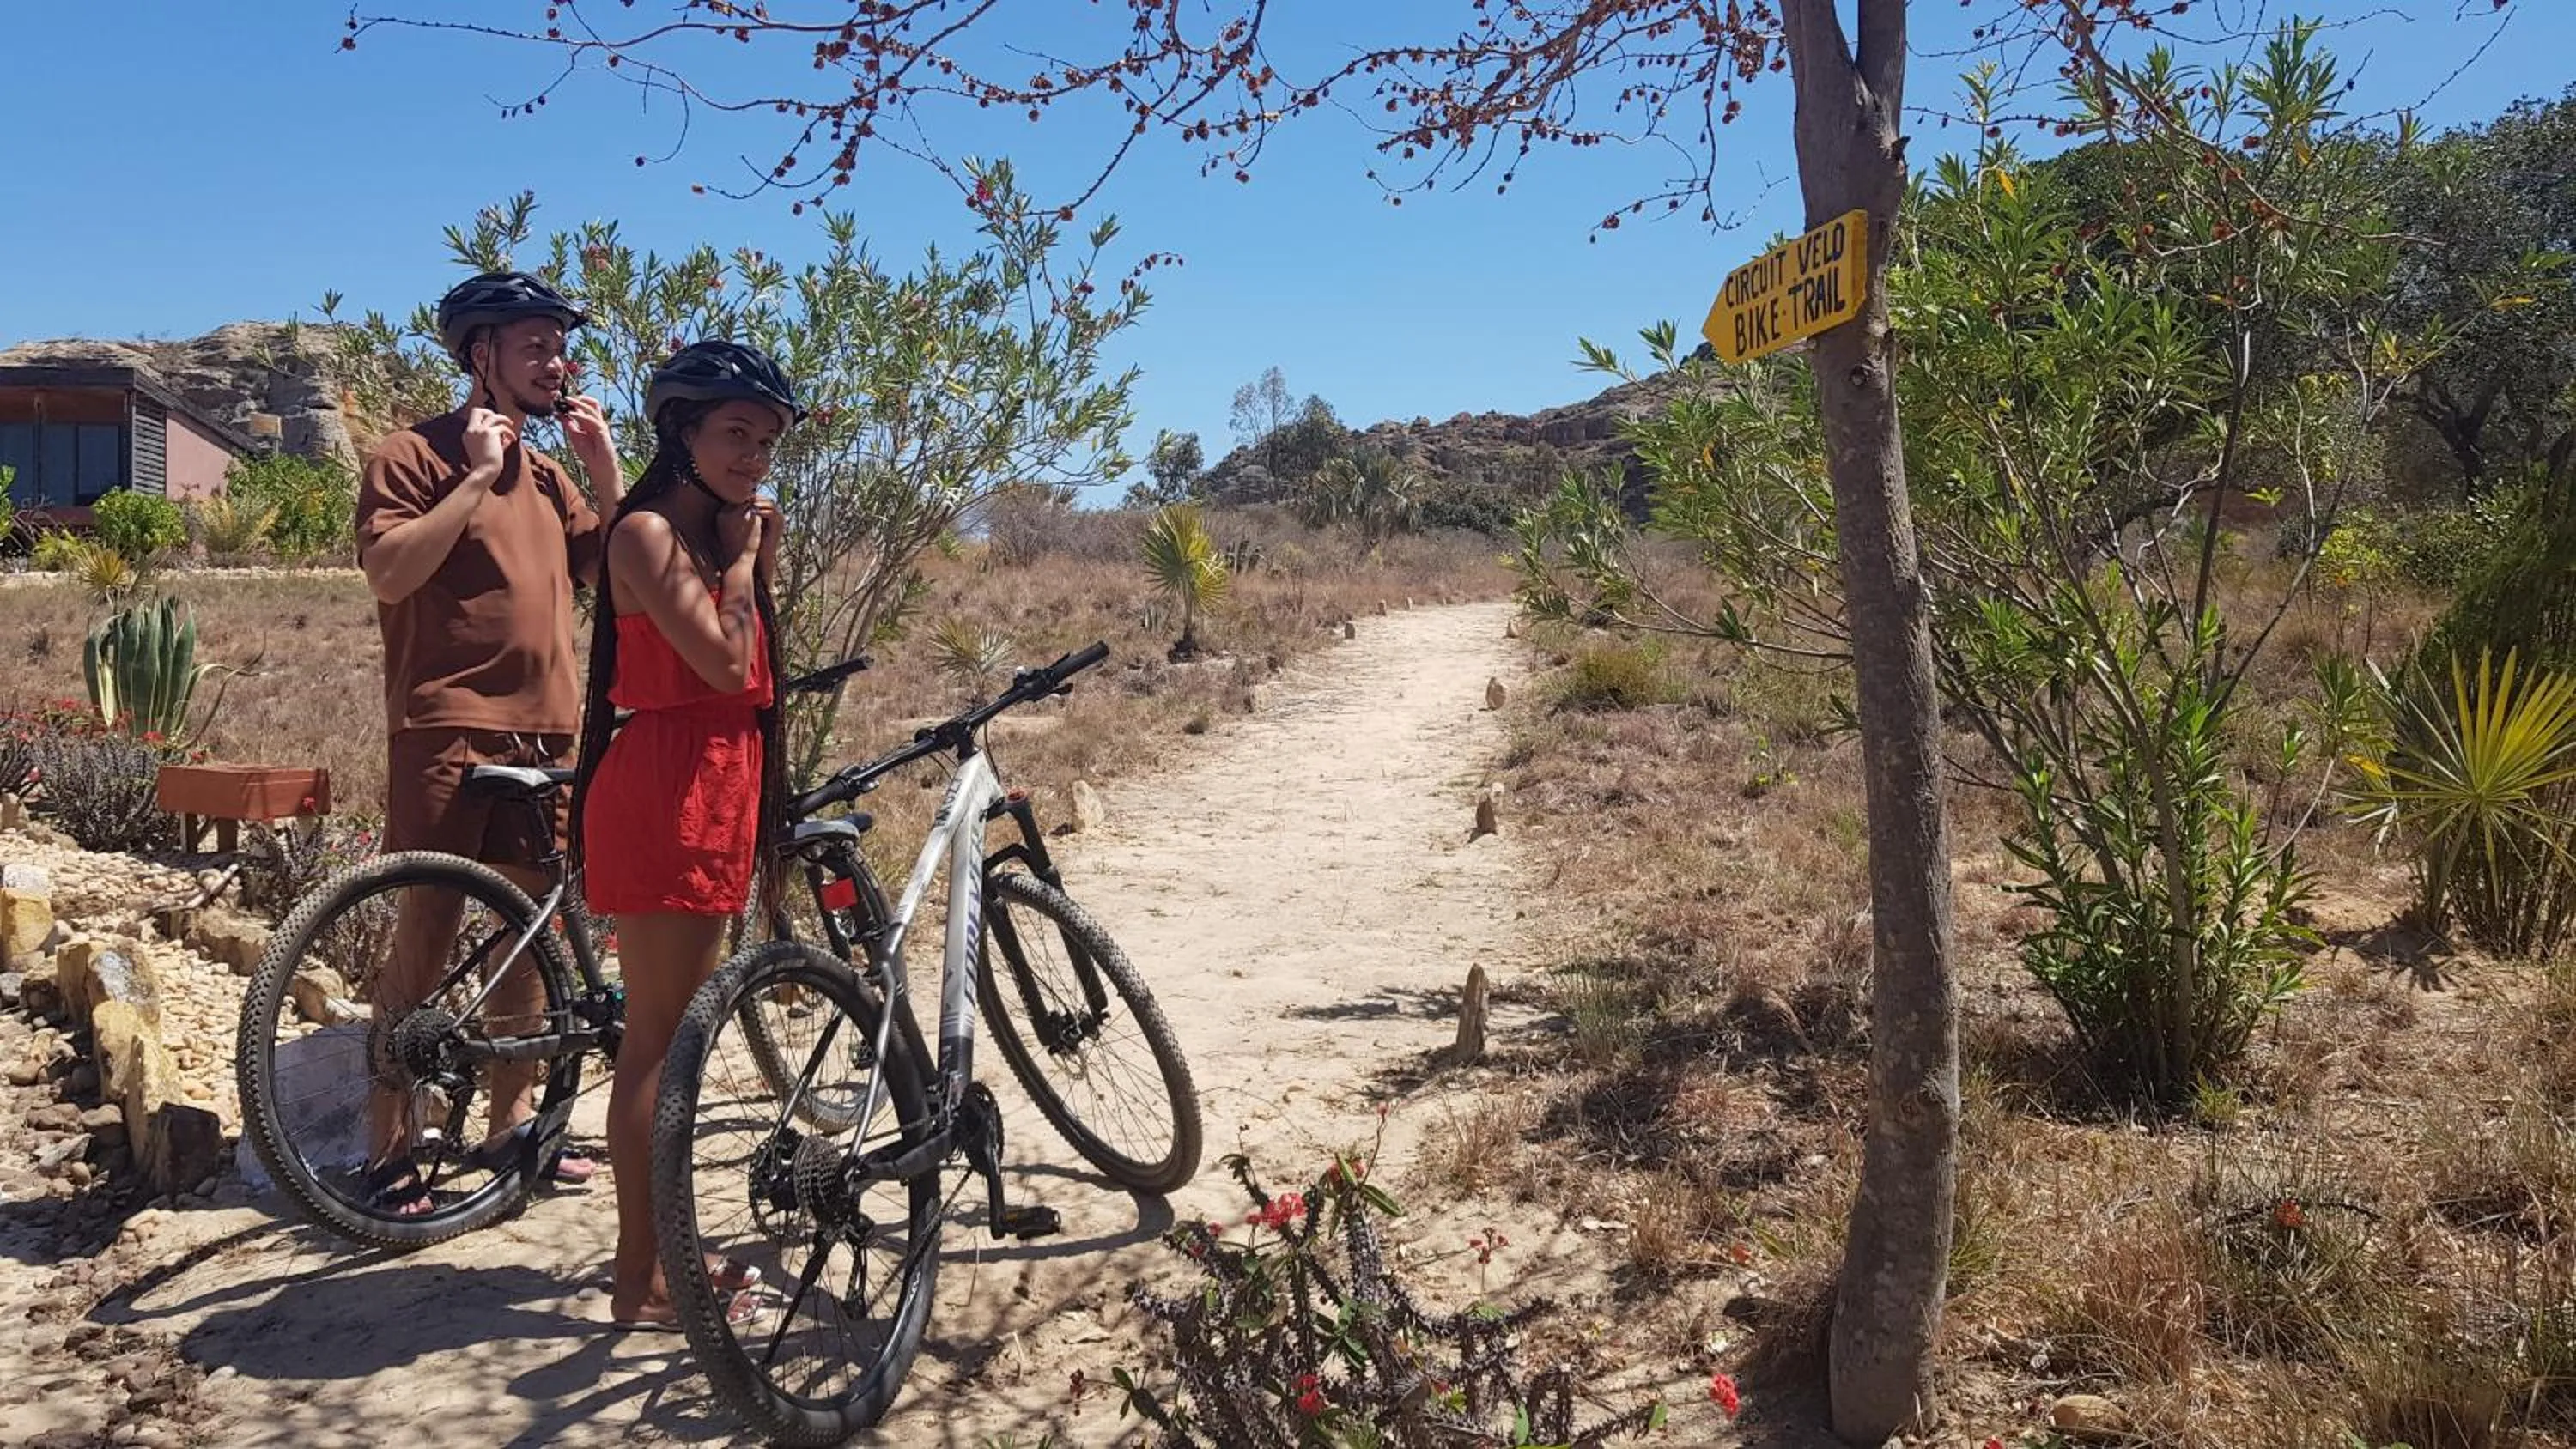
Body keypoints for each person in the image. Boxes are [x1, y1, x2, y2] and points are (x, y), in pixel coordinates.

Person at [354, 270, 625, 1213]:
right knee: (426, 929)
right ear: (481, 355)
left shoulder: (551, 477)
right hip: (445, 725)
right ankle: (389, 1145)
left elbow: (618, 573)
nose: (556, 362)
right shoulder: (412, 453)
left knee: (532, 937)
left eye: (560, 346)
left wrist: (604, 472)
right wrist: (472, 475)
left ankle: (519, 1131)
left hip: (549, 729)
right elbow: (390, 573)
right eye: (534, 345)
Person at [568, 339, 799, 1330]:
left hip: (712, 780)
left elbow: (747, 667)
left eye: (766, 438)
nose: (752, 453)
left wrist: (753, 558)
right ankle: (643, 1276)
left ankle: (661, 1248)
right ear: (684, 433)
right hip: (670, 788)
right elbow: (718, 659)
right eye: (734, 432)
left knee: (675, 1033)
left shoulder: (700, 532)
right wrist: (750, 562)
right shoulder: (649, 535)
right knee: (659, 1040)